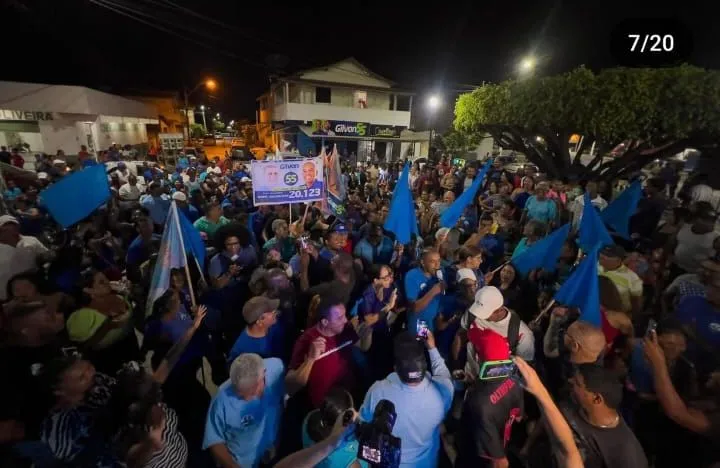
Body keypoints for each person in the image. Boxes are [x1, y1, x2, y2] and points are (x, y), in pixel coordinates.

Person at [359, 331, 453, 468]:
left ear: (396, 368)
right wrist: (432, 348)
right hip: (427, 463)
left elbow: (364, 421)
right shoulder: (443, 391)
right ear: (424, 364)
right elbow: (443, 375)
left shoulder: (378, 391)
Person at [286, 295, 373, 407]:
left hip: (346, 396)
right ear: (325, 322)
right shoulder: (306, 341)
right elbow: (290, 385)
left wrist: (367, 335)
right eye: (340, 318)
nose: (346, 320)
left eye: (344, 315)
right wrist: (311, 359)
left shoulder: (345, 329)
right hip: (323, 406)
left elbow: (363, 347)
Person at [455, 330, 524, 468]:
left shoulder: (478, 401)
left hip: (479, 457)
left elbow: (500, 462)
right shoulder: (515, 379)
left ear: (479, 358)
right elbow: (518, 417)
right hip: (502, 441)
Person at [204, 354, 285, 468]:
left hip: (273, 452)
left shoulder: (277, 368)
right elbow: (214, 441)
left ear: (262, 377)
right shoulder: (221, 399)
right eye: (239, 394)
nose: (245, 399)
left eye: (250, 393)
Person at [562, 364, 648, 468]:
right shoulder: (573, 400)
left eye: (578, 384)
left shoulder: (626, 453)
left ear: (597, 399)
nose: (570, 381)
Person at [456, 286, 535, 380]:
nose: (479, 315)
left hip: (496, 385)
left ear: (499, 310)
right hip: (468, 377)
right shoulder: (473, 313)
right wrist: (456, 362)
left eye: (484, 312)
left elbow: (524, 369)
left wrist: (488, 374)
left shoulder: (523, 334)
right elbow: (461, 335)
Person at [302, 387, 368, 468]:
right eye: (351, 412)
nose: (356, 413)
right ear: (342, 423)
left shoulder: (310, 417)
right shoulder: (346, 460)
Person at [227, 296, 283, 363]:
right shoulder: (240, 351)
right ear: (259, 321)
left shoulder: (274, 325)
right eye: (271, 311)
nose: (275, 312)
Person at [404, 248, 444, 334]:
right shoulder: (412, 275)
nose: (437, 265)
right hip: (419, 323)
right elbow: (415, 308)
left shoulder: (439, 274)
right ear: (423, 262)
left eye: (439, 261)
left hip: (434, 323)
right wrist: (433, 291)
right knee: (424, 345)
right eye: (432, 262)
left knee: (433, 346)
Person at [598, 245, 644, 315]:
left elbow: (637, 302)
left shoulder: (632, 277)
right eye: (602, 253)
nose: (602, 256)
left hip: (614, 317)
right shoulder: (595, 266)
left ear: (618, 260)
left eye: (608, 255)